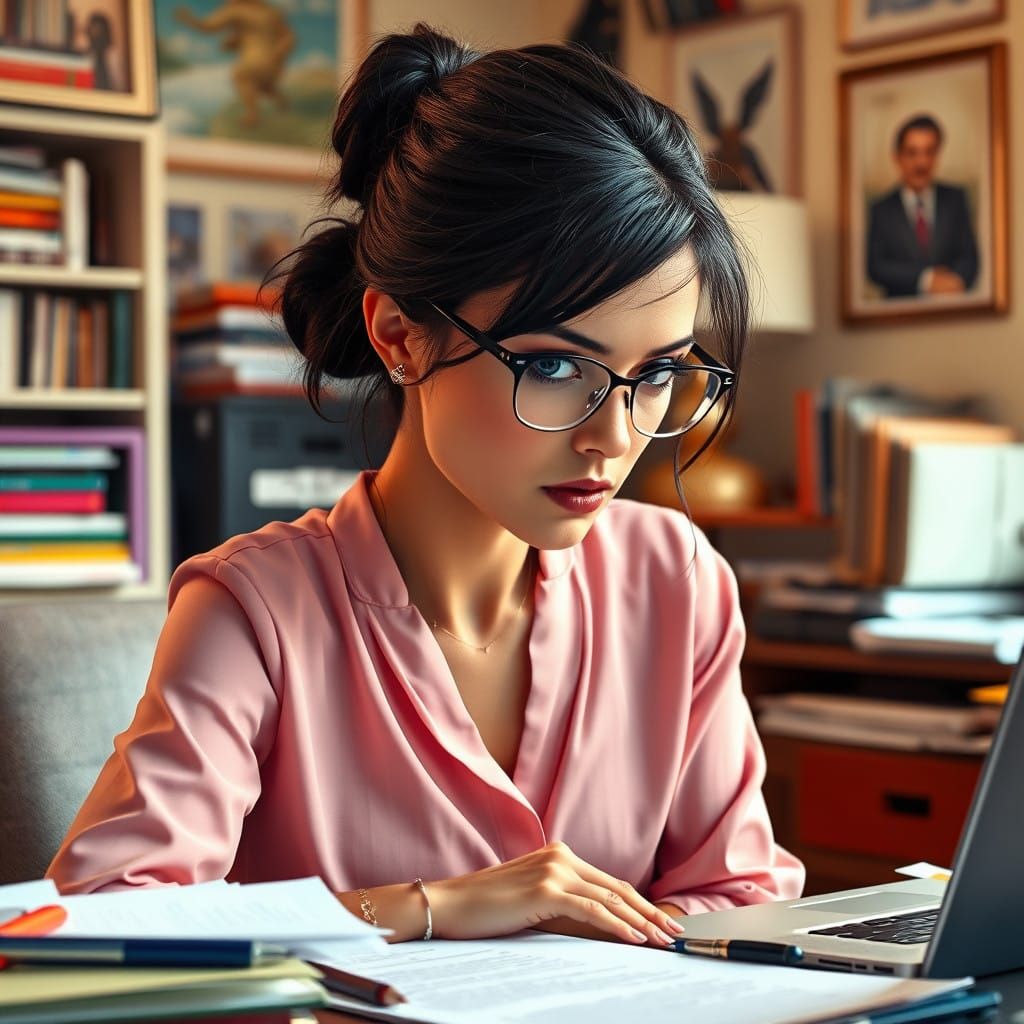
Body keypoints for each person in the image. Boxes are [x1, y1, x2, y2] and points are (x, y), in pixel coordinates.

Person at [48, 24, 804, 946]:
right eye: (558, 367)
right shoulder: (253, 615)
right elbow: (91, 934)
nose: (617, 437)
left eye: (655, 376)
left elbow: (745, 900)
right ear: (400, 336)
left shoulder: (677, 581)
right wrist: (432, 906)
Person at [866, 114, 979, 299]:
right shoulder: (881, 209)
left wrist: (954, 282)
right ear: (897, 157)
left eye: (930, 152)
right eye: (912, 153)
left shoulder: (956, 199)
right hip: (899, 320)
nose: (922, 163)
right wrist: (926, 280)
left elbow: (969, 258)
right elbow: (875, 267)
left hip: (951, 314)